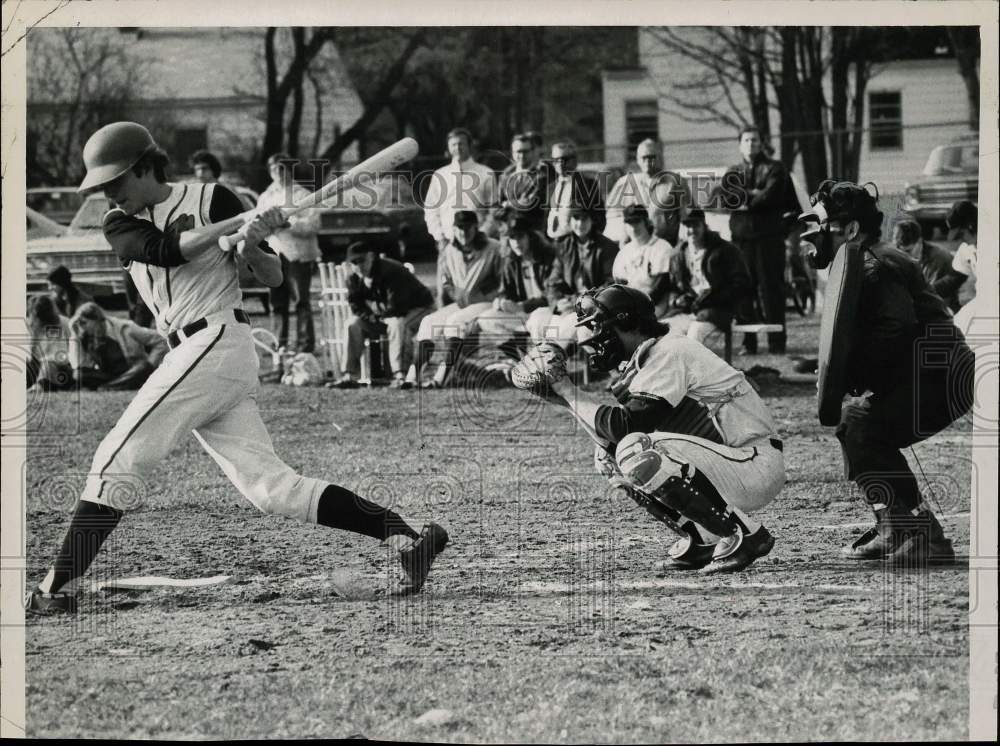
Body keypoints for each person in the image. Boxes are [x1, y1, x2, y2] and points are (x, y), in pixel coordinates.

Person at [27, 121, 447, 614]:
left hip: (216, 341)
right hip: (195, 349)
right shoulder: (119, 222)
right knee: (272, 489)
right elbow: (164, 250)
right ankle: (405, 538)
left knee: (119, 456)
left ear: (145, 166)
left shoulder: (213, 197)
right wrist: (235, 228)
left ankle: (54, 589)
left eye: (115, 182)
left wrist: (251, 243)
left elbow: (272, 276)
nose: (109, 195)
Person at [538, 284, 785, 573]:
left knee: (638, 450)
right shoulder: (648, 357)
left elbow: (624, 426)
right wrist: (562, 398)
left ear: (626, 322)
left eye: (599, 328)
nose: (594, 338)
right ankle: (703, 537)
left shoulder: (669, 351)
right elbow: (612, 437)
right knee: (609, 457)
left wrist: (566, 389)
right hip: (729, 460)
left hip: (754, 463)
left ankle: (743, 533)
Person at [800, 180, 973, 565]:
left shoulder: (873, 263)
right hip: (929, 374)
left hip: (941, 377)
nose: (815, 232)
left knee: (861, 423)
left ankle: (924, 535)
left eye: (825, 223)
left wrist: (852, 375)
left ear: (851, 229)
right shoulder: (864, 259)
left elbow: (895, 326)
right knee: (854, 425)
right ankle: (893, 526)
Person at [404, 210, 502, 388]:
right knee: (429, 321)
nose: (463, 233)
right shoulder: (449, 250)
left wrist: (484, 292)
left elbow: (503, 278)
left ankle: (441, 378)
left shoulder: (493, 247)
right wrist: (454, 293)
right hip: (462, 303)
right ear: (454, 229)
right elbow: (446, 280)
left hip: (487, 302)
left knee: (455, 322)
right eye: (459, 229)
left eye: (468, 228)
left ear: (476, 228)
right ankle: (412, 376)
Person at [722, 127, 793, 355]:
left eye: (755, 140)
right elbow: (728, 198)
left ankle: (776, 343)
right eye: (746, 140)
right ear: (740, 145)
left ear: (761, 143)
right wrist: (754, 193)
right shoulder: (733, 171)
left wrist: (749, 197)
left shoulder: (775, 168)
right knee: (744, 291)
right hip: (741, 241)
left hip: (768, 240)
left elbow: (770, 196)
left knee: (772, 291)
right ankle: (748, 343)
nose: (751, 144)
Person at [330, 243, 436, 389]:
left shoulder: (392, 271)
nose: (359, 266)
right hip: (387, 314)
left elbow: (399, 306)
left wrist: (378, 316)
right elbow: (356, 306)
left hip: (420, 308)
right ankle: (350, 375)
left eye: (362, 260)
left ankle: (400, 374)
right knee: (352, 324)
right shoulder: (353, 279)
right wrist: (369, 317)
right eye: (354, 262)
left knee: (397, 324)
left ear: (371, 257)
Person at [528, 203, 618, 349]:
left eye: (584, 219)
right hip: (566, 305)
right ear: (570, 221)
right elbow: (553, 282)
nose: (580, 224)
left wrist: (580, 302)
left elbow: (610, 284)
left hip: (591, 307)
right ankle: (544, 363)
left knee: (563, 330)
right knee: (537, 318)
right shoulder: (564, 247)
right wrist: (557, 302)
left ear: (592, 220)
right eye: (576, 219)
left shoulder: (607, 247)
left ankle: (550, 364)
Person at [256, 152, 321, 354]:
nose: (279, 173)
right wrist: (266, 228)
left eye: (283, 168)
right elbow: (256, 224)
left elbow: (313, 224)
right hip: (274, 254)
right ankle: (280, 344)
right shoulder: (266, 197)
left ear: (289, 170)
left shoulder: (302, 194)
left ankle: (305, 345)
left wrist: (287, 224)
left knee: (301, 301)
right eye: (275, 169)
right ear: (270, 171)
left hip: (297, 255)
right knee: (277, 303)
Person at [663, 209, 752, 344]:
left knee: (694, 335)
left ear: (704, 226)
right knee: (663, 331)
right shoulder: (679, 254)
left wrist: (713, 298)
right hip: (689, 311)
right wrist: (677, 300)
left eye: (695, 225)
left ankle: (691, 365)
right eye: (687, 226)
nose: (691, 230)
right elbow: (673, 286)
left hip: (718, 311)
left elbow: (741, 283)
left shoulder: (724, 250)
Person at [474, 214, 555, 359]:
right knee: (486, 319)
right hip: (523, 314)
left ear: (530, 237)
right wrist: (502, 301)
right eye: (512, 238)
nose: (516, 242)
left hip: (547, 311)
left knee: (537, 321)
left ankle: (545, 368)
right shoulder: (511, 262)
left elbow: (552, 295)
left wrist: (522, 306)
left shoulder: (547, 257)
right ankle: (520, 361)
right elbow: (505, 291)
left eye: (520, 237)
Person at [423, 127, 497, 253]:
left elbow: (494, 209)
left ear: (469, 145)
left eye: (461, 144)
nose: (457, 148)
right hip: (448, 242)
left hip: (479, 242)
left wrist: (483, 234)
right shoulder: (440, 175)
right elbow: (431, 209)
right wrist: (440, 237)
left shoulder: (486, 173)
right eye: (453, 144)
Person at [605, 139, 690, 246]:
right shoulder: (628, 183)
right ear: (637, 160)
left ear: (660, 158)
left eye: (652, 157)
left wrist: (680, 247)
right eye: (644, 157)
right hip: (637, 248)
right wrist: (623, 242)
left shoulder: (675, 182)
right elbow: (615, 216)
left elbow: (686, 217)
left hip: (667, 246)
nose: (648, 161)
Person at [68, 302, 168, 390]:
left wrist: (151, 363)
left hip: (131, 370)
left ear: (96, 319)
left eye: (84, 323)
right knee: (79, 375)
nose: (81, 326)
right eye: (79, 323)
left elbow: (160, 339)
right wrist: (74, 335)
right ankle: (116, 385)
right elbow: (78, 365)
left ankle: (110, 386)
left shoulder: (125, 327)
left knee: (143, 366)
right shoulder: (84, 336)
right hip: (109, 374)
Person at [612, 204, 673, 316]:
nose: (634, 227)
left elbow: (662, 286)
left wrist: (640, 306)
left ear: (646, 222)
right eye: (629, 223)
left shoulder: (662, 247)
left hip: (655, 304)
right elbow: (619, 285)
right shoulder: (624, 252)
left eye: (637, 222)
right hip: (629, 305)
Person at [891, 218, 964, 311]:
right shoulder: (896, 256)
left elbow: (933, 299)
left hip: (941, 310)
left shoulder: (939, 259)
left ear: (919, 242)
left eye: (908, 251)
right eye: (899, 252)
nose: (904, 256)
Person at [546, 141, 605, 240]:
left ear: (574, 161)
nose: (560, 164)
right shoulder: (551, 187)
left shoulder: (587, 184)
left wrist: (587, 242)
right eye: (556, 160)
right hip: (554, 243)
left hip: (577, 243)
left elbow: (599, 217)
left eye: (564, 159)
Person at [498, 132, 550, 233]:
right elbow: (497, 204)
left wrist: (507, 204)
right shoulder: (506, 174)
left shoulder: (541, 177)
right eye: (518, 151)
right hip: (508, 232)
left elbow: (527, 205)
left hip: (531, 233)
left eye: (525, 151)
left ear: (532, 151)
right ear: (512, 153)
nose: (521, 155)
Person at [26, 294, 74, 391]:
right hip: (36, 365)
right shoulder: (28, 326)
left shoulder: (65, 323)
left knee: (48, 365)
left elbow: (71, 349)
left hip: (59, 366)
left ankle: (40, 386)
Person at [945, 200, 978, 335]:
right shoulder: (967, 248)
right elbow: (953, 279)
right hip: (986, 301)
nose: (961, 240)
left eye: (961, 234)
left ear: (971, 226)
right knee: (957, 328)